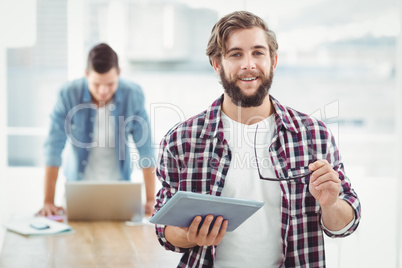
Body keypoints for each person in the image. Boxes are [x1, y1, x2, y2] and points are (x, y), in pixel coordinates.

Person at [154, 11, 361, 267]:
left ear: (273, 61)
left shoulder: (313, 135)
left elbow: (345, 225)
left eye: (258, 53)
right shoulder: (181, 141)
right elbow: (164, 229)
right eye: (236, 54)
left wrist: (331, 205)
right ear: (217, 63)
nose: (248, 65)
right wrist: (189, 234)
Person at [39, 43, 156, 216]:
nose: (103, 91)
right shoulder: (68, 94)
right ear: (86, 74)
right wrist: (48, 201)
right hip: (78, 190)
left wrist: (150, 200)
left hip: (119, 190)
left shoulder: (134, 94)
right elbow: (53, 148)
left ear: (119, 74)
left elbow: (146, 150)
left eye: (110, 84)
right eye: (96, 84)